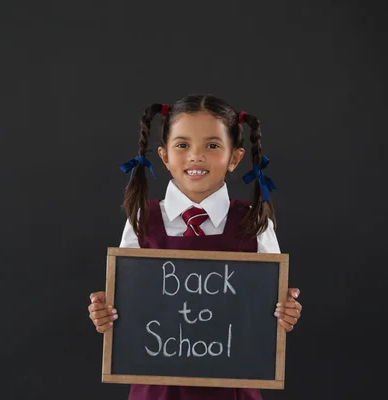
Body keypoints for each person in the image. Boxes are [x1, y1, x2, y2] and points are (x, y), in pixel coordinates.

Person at [88, 94, 302, 400]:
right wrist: (106, 314)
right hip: (156, 389)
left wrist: (285, 312)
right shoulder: (142, 220)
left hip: (234, 388)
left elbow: (268, 308)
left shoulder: (255, 222)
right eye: (182, 145)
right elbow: (126, 305)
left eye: (212, 146)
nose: (195, 156)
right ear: (164, 156)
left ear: (235, 158)